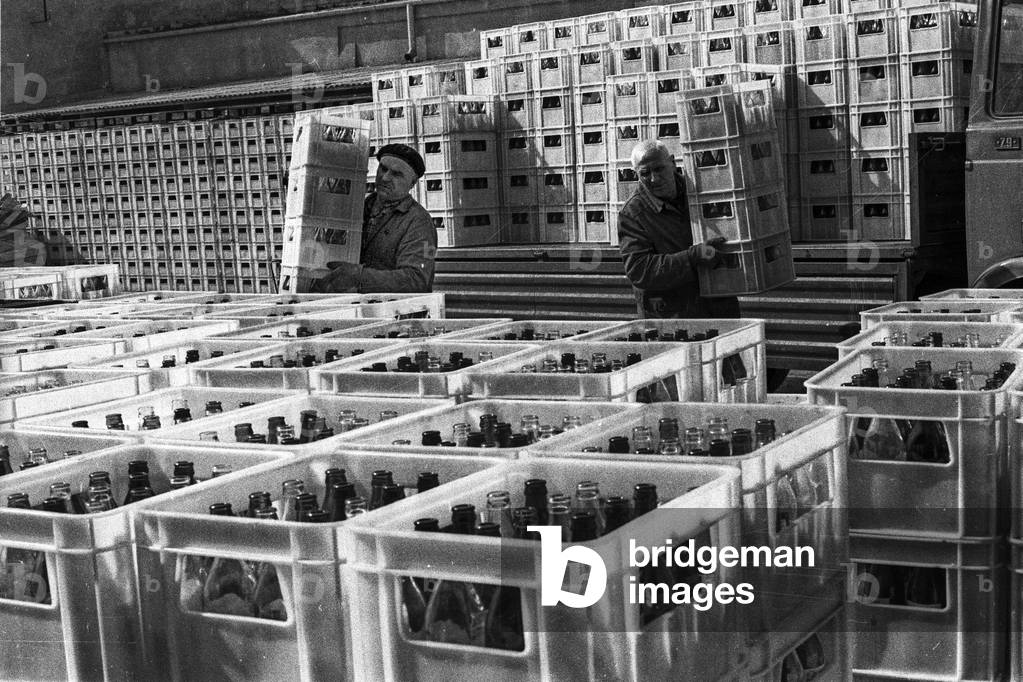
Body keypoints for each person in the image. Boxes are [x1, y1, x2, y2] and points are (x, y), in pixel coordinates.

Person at [617, 139, 740, 319]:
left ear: (673, 163)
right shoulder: (633, 214)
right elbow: (639, 269)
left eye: (659, 169)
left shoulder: (703, 192)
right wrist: (691, 258)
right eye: (645, 173)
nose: (654, 178)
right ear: (636, 174)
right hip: (671, 317)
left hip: (718, 307)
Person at [314, 143, 437, 293]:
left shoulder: (420, 223)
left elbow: (417, 279)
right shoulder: (357, 209)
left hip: (391, 311)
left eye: (397, 174)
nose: (385, 178)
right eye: (383, 169)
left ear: (412, 183)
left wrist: (358, 276)